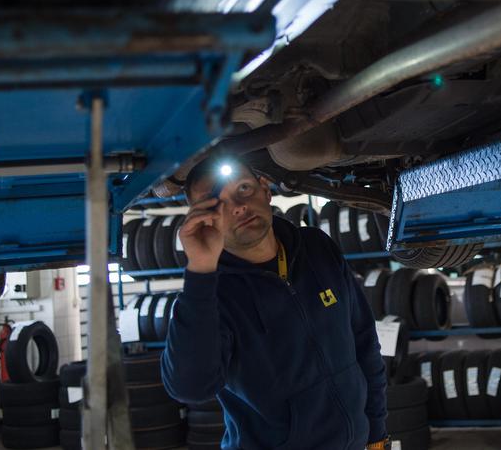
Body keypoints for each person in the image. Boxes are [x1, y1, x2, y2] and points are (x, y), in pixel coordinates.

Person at [160, 156, 389, 450]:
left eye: (243, 189)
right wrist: (200, 269)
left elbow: (365, 342)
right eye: (214, 204)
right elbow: (190, 388)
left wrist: (376, 434)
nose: (238, 206)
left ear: (265, 189)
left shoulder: (316, 247)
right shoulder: (210, 296)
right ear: (201, 219)